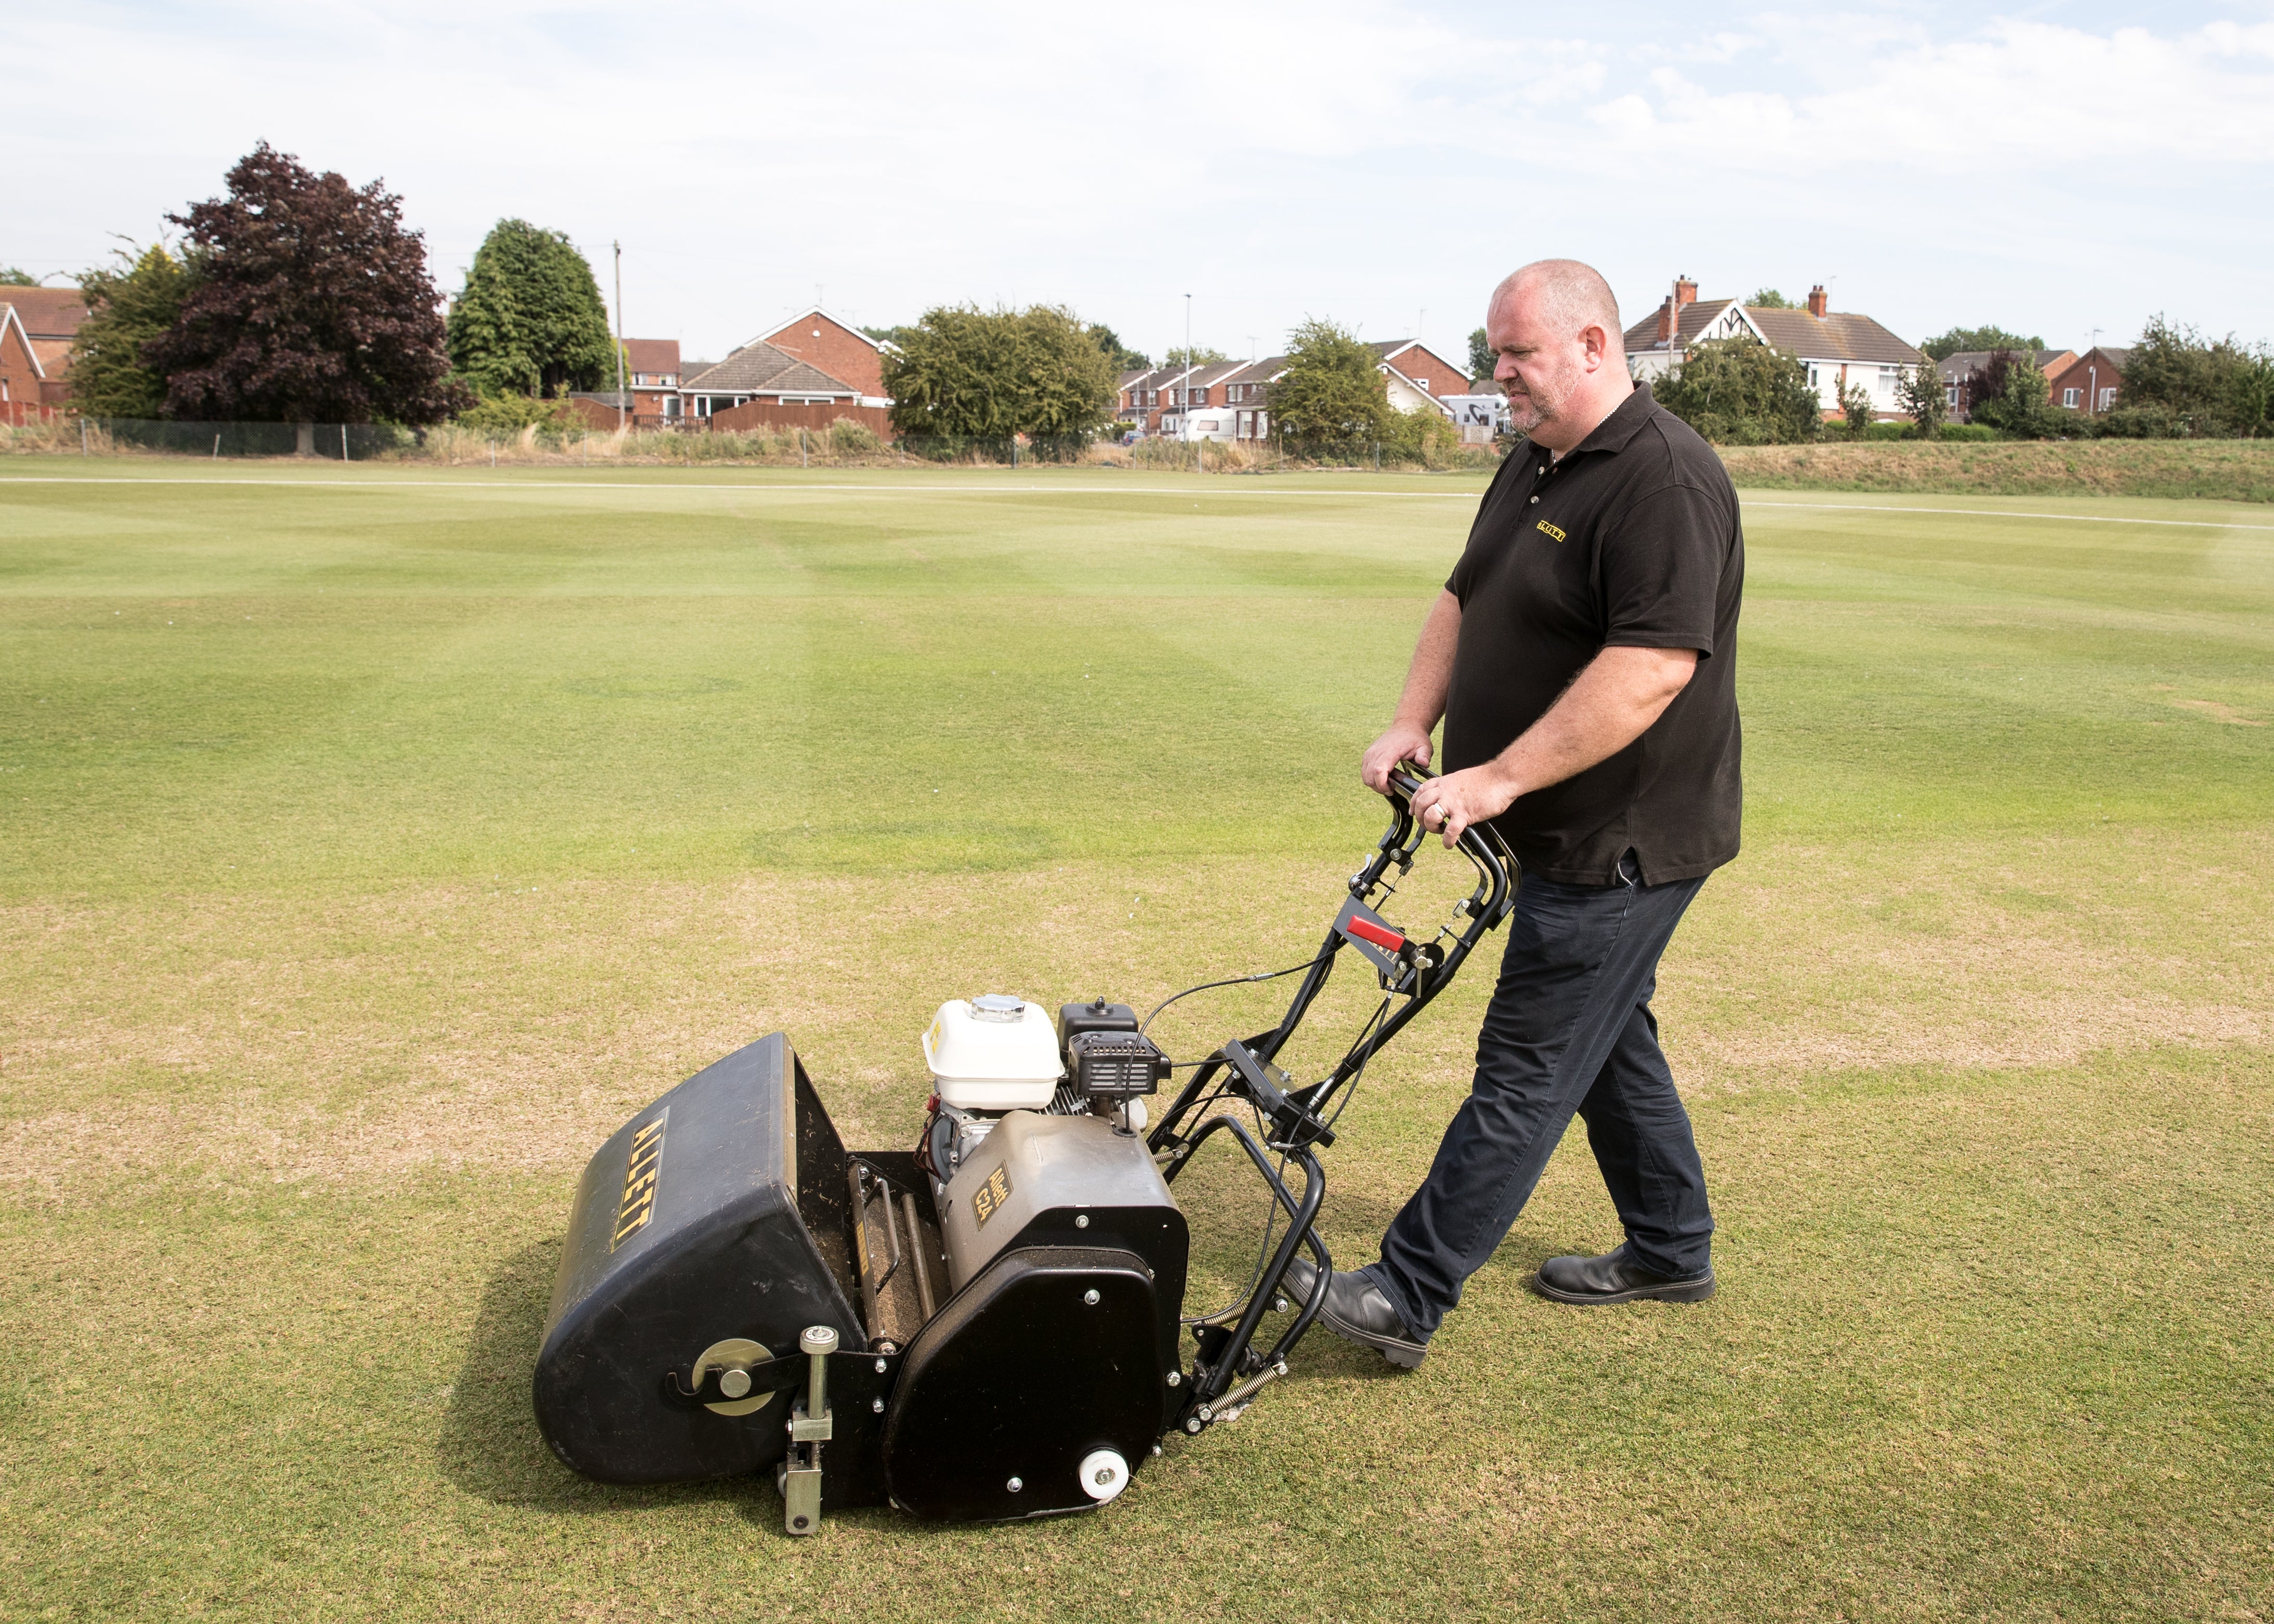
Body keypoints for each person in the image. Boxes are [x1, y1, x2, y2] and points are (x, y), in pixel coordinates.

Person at [1285, 259, 1744, 1368]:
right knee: (1606, 1038)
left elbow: (1650, 667)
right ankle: (1671, 1246)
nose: (1500, 373)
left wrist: (1497, 779)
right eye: (1495, 351)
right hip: (1552, 825)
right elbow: (1465, 593)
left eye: (1518, 353)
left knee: (1529, 1064)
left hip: (1621, 837)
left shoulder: (1662, 481)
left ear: (1593, 346)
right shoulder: (1536, 461)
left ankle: (1405, 1293)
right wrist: (1412, 724)